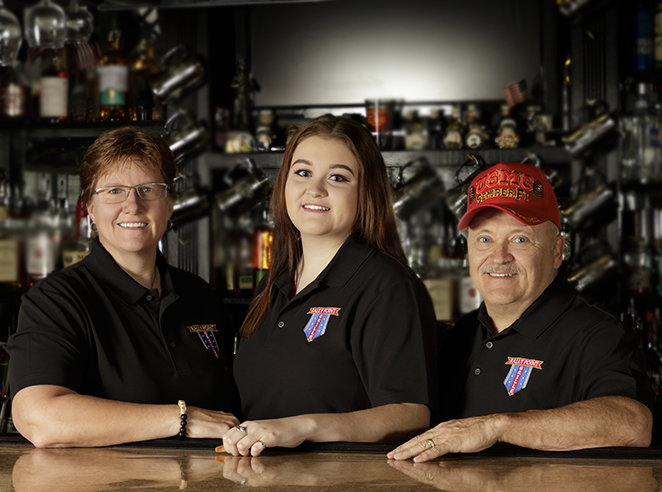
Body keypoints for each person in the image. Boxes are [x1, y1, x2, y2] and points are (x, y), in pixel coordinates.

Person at [388, 162, 654, 462]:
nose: (499, 257)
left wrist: (497, 426)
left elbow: (633, 423)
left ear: (557, 251)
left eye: (520, 239)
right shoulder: (461, 335)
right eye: (485, 239)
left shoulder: (596, 333)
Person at [8, 127, 240, 448]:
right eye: (114, 191)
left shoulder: (200, 296)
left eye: (148, 189)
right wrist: (182, 419)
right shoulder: (57, 300)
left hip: (209, 489)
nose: (133, 205)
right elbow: (39, 417)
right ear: (90, 207)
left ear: (170, 204)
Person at [221, 114, 437, 457]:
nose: (315, 188)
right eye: (303, 172)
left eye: (338, 177)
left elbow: (412, 415)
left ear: (365, 193)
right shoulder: (274, 281)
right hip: (261, 491)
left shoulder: (386, 285)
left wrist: (304, 427)